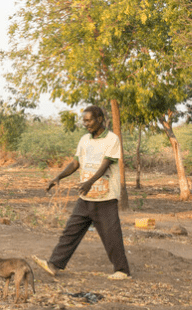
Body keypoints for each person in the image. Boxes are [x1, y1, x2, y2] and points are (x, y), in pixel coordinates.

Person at [32, 105, 131, 280]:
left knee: (111, 234)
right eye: (84, 120)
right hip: (86, 195)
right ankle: (54, 265)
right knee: (71, 230)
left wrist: (90, 182)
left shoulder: (112, 140)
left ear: (100, 119)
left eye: (89, 120)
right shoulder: (85, 140)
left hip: (105, 196)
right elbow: (75, 163)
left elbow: (106, 163)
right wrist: (58, 177)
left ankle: (122, 271)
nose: (85, 124)